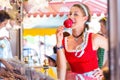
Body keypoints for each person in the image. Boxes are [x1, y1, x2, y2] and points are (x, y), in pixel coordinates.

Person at [56, 3, 108, 80]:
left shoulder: (94, 38)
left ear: (85, 18)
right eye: (70, 14)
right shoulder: (64, 40)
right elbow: (61, 68)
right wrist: (59, 43)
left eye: (75, 14)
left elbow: (116, 50)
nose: (70, 17)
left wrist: (104, 70)